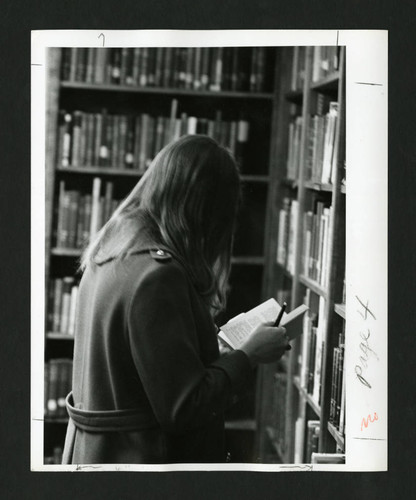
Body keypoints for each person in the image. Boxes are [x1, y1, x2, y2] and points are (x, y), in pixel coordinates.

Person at [62, 135, 289, 465]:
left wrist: (211, 348)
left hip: (100, 457)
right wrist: (247, 355)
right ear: (204, 213)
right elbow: (184, 408)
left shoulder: (112, 248)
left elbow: (142, 374)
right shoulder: (159, 275)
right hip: (142, 465)